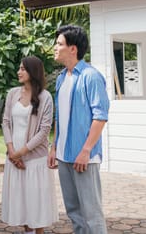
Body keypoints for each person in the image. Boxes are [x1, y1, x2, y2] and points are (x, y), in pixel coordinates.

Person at [47, 25, 109, 234]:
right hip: (64, 156)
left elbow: (100, 116)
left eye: (59, 44)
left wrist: (86, 150)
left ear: (73, 49)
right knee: (74, 213)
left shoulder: (91, 76)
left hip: (84, 157)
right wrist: (55, 147)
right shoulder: (62, 78)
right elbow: (60, 116)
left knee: (91, 214)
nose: (55, 47)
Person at [1, 56, 58, 234]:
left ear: (33, 72)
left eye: (23, 69)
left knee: (36, 205)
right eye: (19, 68)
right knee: (23, 204)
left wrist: (20, 153)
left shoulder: (45, 97)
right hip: (15, 157)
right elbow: (5, 122)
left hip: (34, 160)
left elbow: (43, 131)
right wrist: (11, 151)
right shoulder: (12, 94)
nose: (19, 72)